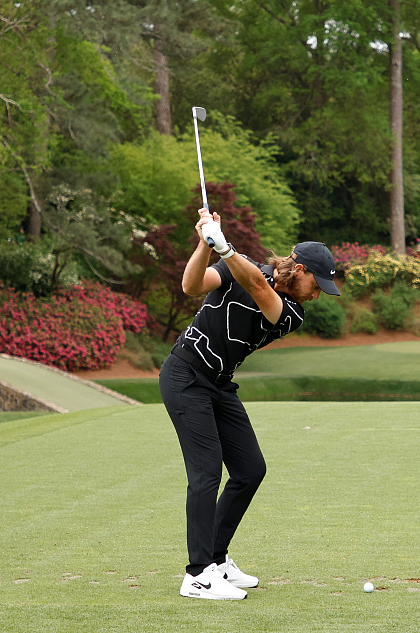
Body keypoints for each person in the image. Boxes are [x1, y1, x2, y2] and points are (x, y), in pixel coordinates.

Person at [160, 207, 340, 600]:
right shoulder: (239, 265)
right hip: (185, 376)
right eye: (317, 284)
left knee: (249, 470)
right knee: (206, 473)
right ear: (299, 269)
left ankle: (217, 558)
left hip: (219, 384)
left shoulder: (292, 313)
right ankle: (198, 575)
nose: (317, 295)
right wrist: (205, 244)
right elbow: (192, 285)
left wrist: (225, 248)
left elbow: (259, 289)